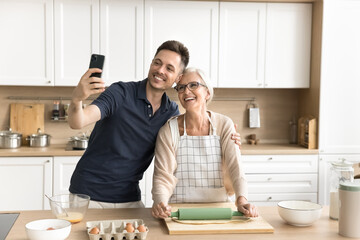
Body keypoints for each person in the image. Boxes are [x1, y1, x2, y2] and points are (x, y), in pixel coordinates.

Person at [67, 40, 241, 208]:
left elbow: (186, 153)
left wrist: (228, 144)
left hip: (128, 197)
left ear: (177, 78)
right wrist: (77, 99)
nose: (160, 70)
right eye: (157, 63)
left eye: (169, 68)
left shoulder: (171, 112)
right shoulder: (120, 93)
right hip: (87, 194)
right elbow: (78, 121)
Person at [151, 67, 258, 218]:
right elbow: (163, 176)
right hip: (179, 211)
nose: (186, 91)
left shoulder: (224, 124)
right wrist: (160, 203)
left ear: (207, 92)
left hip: (220, 209)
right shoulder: (169, 130)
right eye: (181, 88)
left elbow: (236, 167)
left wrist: (241, 199)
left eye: (193, 85)